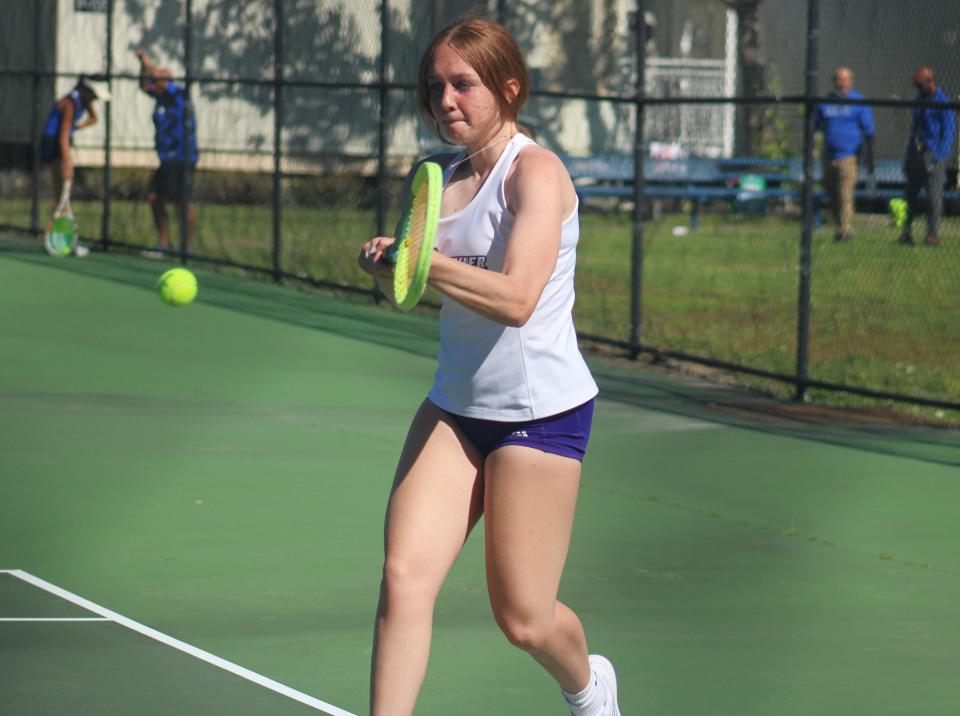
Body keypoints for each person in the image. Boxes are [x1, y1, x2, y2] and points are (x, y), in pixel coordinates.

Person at [358, 16, 620, 716]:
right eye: (435, 86)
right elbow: (420, 291)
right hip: (455, 406)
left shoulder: (536, 172)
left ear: (507, 88)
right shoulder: (439, 179)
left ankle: (589, 687)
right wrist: (390, 271)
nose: (445, 99)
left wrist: (426, 262)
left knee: (523, 619)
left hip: (538, 416)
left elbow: (516, 298)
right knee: (404, 578)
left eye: (462, 84)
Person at [135, 50, 199, 255]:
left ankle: (187, 247)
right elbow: (144, 84)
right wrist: (142, 67)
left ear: (166, 81)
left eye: (157, 80)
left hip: (182, 157)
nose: (153, 83)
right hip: (166, 159)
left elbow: (154, 76)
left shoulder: (177, 94)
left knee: (182, 201)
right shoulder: (159, 97)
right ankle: (164, 244)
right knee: (154, 197)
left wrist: (146, 60)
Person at [40, 76, 111, 257]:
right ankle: (61, 240)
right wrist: (68, 160)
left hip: (61, 141)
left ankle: (62, 239)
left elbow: (94, 118)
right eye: (93, 95)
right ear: (85, 90)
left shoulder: (83, 101)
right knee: (61, 193)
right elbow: (63, 136)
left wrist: (76, 127)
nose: (95, 99)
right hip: (54, 144)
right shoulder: (69, 104)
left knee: (64, 195)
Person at [814, 66, 875, 242]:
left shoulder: (858, 102)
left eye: (846, 79)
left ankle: (845, 230)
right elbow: (815, 125)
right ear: (834, 81)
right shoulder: (826, 102)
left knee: (845, 194)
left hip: (849, 156)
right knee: (831, 194)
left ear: (851, 81)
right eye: (839, 79)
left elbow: (868, 130)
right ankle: (840, 226)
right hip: (829, 156)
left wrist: (868, 152)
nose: (843, 82)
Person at [900, 66, 956, 247]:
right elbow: (914, 128)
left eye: (919, 85)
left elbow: (948, 133)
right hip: (916, 153)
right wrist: (909, 153)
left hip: (934, 153)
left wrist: (937, 159)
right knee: (911, 194)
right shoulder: (920, 100)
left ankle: (932, 234)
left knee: (934, 196)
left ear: (929, 82)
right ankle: (906, 232)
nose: (917, 89)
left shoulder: (942, 102)